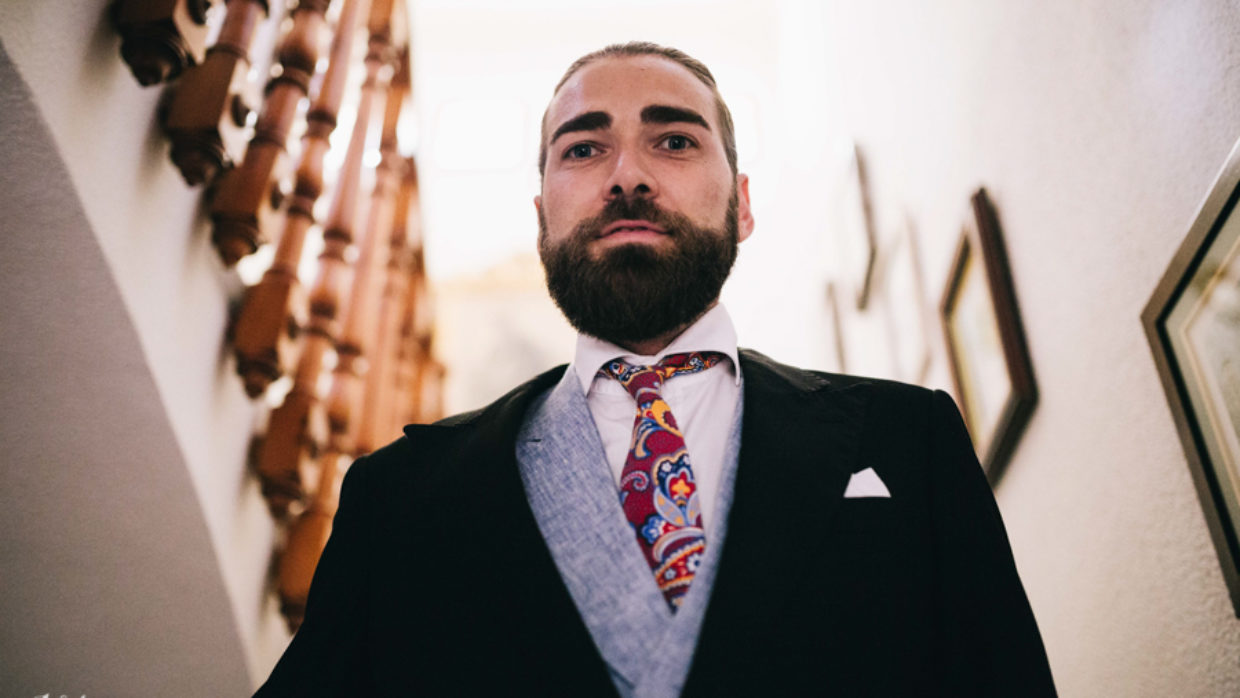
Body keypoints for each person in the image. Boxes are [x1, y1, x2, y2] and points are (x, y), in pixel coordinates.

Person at [255, 41, 1056, 697]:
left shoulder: (909, 437)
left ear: (742, 204)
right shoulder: (397, 496)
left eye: (674, 141)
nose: (627, 176)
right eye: (584, 148)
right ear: (541, 219)